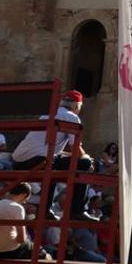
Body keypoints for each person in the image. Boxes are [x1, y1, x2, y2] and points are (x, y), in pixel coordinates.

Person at [10, 90, 97, 222]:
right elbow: (75, 148)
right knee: (85, 165)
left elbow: (48, 148)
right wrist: (87, 158)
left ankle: (45, 210)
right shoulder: (71, 117)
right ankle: (77, 210)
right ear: (76, 106)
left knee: (54, 165)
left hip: (19, 160)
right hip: (39, 159)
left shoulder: (46, 115)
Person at [0, 183, 80, 264]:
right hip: (10, 250)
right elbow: (21, 239)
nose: (25, 202)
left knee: (37, 252)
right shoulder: (17, 208)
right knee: (41, 254)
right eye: (26, 199)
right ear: (24, 195)